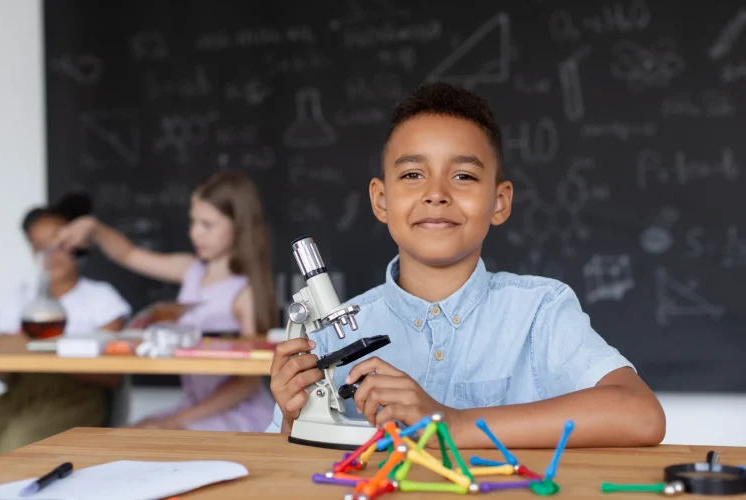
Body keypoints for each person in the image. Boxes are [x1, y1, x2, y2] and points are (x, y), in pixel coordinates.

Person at [266, 82, 666, 448]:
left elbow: (641, 415)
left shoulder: (540, 311)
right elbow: (286, 465)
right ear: (381, 200)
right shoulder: (331, 336)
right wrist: (290, 418)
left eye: (463, 175)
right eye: (412, 174)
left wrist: (454, 423)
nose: (436, 193)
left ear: (500, 202)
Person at [55, 171, 278, 432]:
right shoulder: (191, 270)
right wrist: (94, 228)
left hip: (235, 412)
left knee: (147, 435)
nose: (195, 233)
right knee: (128, 436)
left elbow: (247, 383)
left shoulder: (244, 293)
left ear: (239, 226)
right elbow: (129, 255)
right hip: (194, 407)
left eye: (207, 225)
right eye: (192, 221)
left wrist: (176, 421)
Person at [0, 193, 132, 460]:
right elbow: (4, 375)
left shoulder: (102, 298)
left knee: (16, 443)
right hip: (21, 396)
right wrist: (11, 354)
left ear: (75, 243)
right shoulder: (21, 298)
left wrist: (45, 350)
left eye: (57, 243)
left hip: (76, 398)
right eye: (39, 247)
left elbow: (112, 375)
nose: (50, 255)